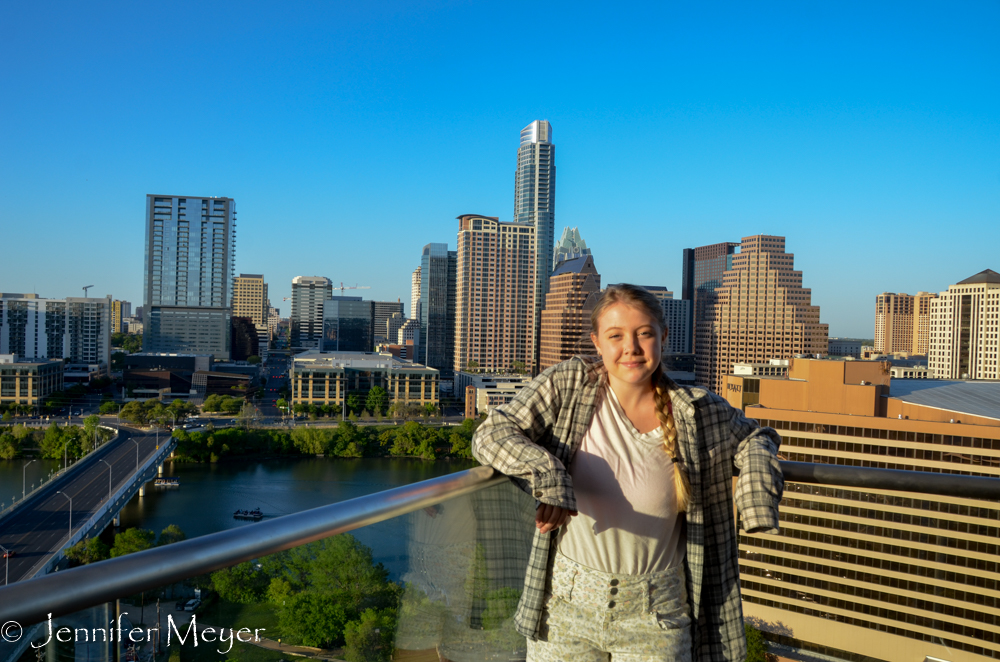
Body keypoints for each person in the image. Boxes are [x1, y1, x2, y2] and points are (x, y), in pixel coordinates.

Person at [472, 284, 784, 662]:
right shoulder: (568, 386)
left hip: (657, 613)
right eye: (616, 336)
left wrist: (755, 500)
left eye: (644, 334)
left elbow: (757, 436)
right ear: (597, 342)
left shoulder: (698, 412)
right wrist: (549, 477)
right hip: (566, 607)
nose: (631, 348)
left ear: (664, 337)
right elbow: (491, 433)